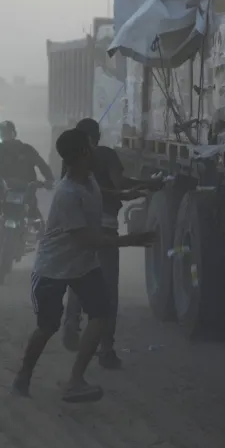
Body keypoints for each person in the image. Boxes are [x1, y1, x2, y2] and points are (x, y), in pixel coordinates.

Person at [12, 129, 154, 402]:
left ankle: (75, 380)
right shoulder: (67, 193)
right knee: (47, 327)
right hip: (53, 268)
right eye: (92, 144)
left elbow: (102, 192)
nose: (97, 148)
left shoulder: (87, 179)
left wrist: (127, 193)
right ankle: (24, 375)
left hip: (83, 266)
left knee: (100, 315)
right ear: (85, 152)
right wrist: (130, 240)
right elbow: (85, 239)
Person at [61, 118, 163, 369]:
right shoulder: (105, 154)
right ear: (97, 136)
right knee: (107, 291)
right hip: (105, 228)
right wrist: (148, 184)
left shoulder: (70, 161)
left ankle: (71, 320)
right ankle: (106, 349)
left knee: (78, 277)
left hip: (78, 229)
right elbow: (119, 183)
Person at [0, 120, 55, 252]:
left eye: (8, 133)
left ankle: (44, 239)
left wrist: (49, 180)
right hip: (3, 190)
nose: (6, 136)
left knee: (34, 214)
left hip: (27, 191)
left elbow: (42, 165)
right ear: (0, 135)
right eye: (3, 133)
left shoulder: (27, 149)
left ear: (14, 133)